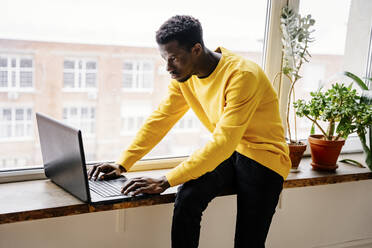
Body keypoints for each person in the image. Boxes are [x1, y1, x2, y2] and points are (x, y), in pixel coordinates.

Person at [88, 15, 291, 248]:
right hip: (231, 152)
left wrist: (165, 180)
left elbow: (223, 142)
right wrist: (123, 163)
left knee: (248, 242)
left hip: (263, 158)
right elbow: (161, 119)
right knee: (187, 197)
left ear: (196, 49)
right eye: (164, 59)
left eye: (173, 58)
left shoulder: (242, 75)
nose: (168, 67)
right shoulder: (185, 76)